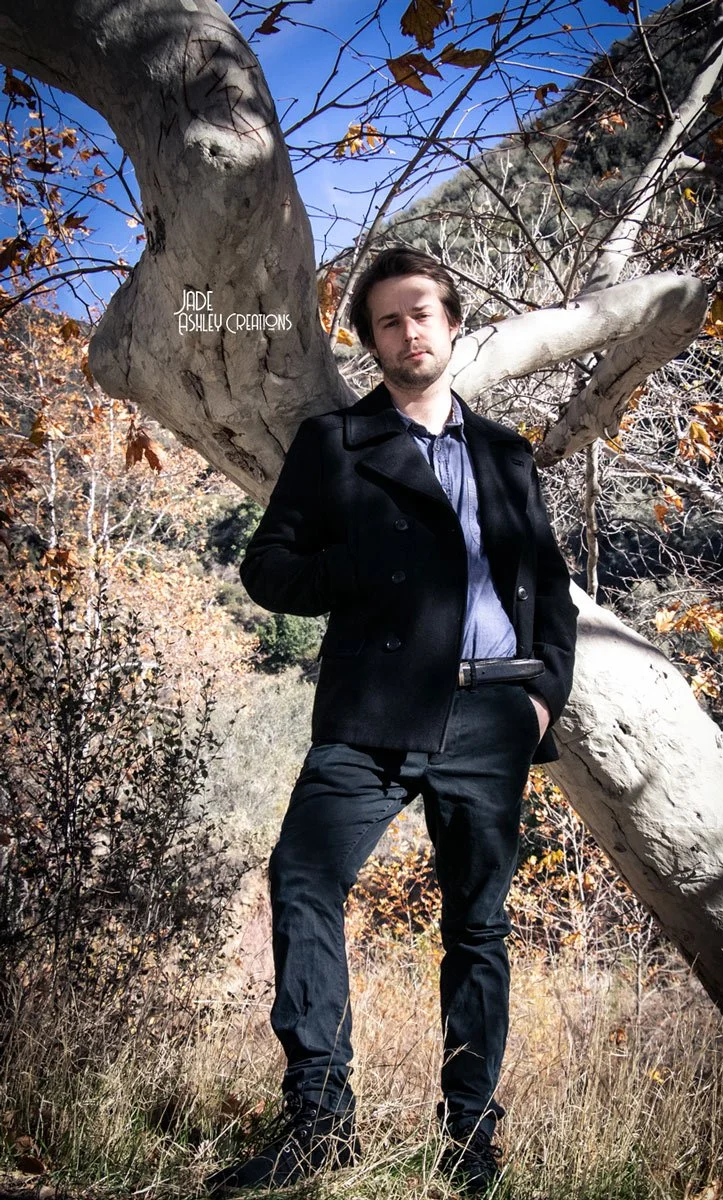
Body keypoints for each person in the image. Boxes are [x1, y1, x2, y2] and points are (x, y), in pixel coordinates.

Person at [206, 247, 578, 1197]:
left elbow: (549, 587)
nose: (408, 333)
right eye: (387, 322)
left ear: (451, 324)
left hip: (492, 714)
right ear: (371, 342)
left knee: (478, 929)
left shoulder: (505, 453)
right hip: (372, 709)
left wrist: (542, 696)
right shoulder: (335, 441)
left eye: (421, 314)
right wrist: (359, 564)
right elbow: (269, 569)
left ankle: (470, 1143)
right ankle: (319, 1126)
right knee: (303, 880)